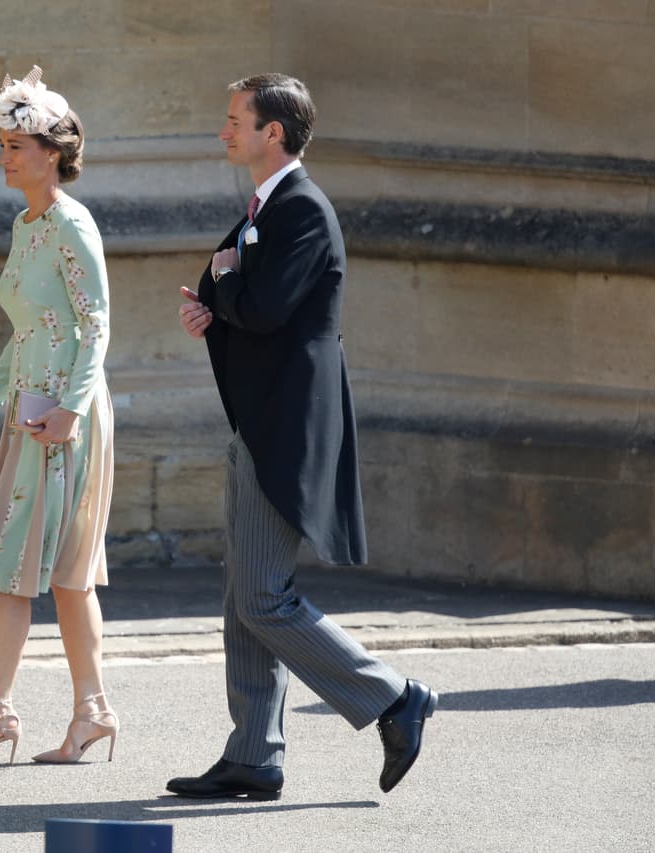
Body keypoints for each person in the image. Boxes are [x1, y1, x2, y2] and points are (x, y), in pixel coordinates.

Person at [169, 74, 437, 800]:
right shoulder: (267, 206)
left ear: (273, 134)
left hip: (285, 423)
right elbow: (235, 292)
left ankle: (392, 696)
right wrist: (217, 305)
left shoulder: (302, 209)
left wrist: (226, 294)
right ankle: (255, 752)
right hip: (260, 418)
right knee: (242, 595)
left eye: (234, 120)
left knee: (263, 597)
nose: (223, 131)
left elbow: (263, 305)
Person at [0, 67, 116, 766]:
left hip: (63, 418)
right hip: (30, 411)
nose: (5, 155)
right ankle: (88, 711)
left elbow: (95, 326)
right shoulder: (26, 223)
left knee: (32, 567)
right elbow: (33, 327)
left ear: (51, 153)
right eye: (3, 143)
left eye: (16, 144)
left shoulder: (72, 224)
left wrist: (69, 410)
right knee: (60, 573)